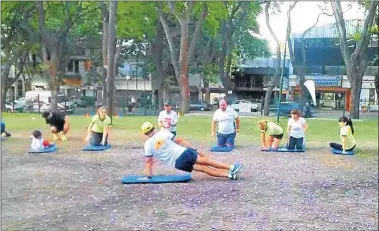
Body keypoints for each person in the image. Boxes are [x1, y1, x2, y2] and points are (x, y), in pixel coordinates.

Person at [141, 122, 242, 180]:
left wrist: (149, 176)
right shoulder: (163, 133)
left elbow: (149, 161)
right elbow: (180, 141)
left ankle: (229, 175)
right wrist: (195, 149)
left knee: (203, 169)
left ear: (145, 133)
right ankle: (231, 167)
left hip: (177, 163)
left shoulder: (147, 144)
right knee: (206, 161)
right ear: (153, 127)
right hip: (183, 153)